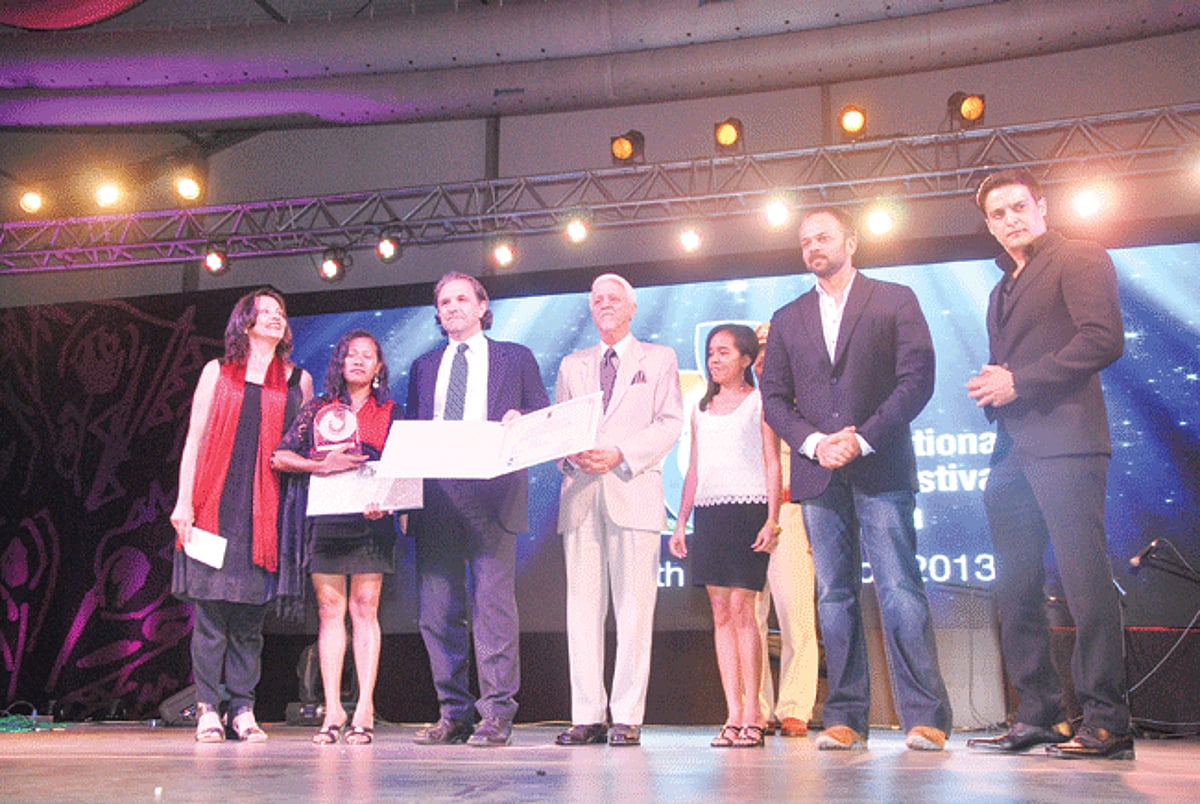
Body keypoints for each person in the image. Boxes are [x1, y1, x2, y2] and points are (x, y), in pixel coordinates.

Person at [760, 207, 952, 751]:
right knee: (833, 596)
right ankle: (845, 717)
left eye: (823, 237)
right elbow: (774, 398)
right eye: (805, 241)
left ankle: (925, 718)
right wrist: (816, 443)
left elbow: (917, 380)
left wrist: (861, 439)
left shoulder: (895, 299)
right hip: (818, 473)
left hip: (881, 464)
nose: (813, 247)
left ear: (851, 241)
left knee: (899, 588)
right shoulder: (788, 316)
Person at [965, 169, 1132, 760]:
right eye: (998, 214)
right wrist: (995, 386)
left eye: (1019, 207)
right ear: (990, 226)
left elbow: (1103, 338)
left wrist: (1018, 381)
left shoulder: (1080, 256)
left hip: (1067, 440)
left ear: (1042, 206)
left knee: (1084, 583)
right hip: (1013, 446)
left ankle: (1107, 722)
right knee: (1015, 586)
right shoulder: (1001, 288)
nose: (1010, 219)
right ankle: (1039, 715)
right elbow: (1016, 363)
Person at [406, 271, 549, 747]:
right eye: (444, 301)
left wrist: (522, 418)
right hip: (436, 498)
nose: (452, 307)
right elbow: (414, 435)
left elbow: (542, 415)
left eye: (461, 299)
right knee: (437, 613)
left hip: (493, 496)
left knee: (493, 610)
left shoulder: (515, 357)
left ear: (482, 306)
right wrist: (405, 499)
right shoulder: (424, 365)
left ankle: (496, 715)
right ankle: (454, 714)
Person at [170, 288, 313, 743]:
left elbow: (303, 448)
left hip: (266, 509)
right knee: (211, 615)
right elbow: (194, 440)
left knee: (250, 618)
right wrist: (183, 502)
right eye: (264, 311)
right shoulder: (217, 371)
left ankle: (243, 708)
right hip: (215, 503)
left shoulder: (298, 380)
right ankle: (207, 707)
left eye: (280, 312)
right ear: (245, 323)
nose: (274, 317)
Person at [554, 273, 683, 747]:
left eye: (613, 298)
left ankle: (627, 715)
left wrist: (620, 454)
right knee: (581, 610)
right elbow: (559, 426)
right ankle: (586, 715)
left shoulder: (660, 358)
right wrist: (571, 455)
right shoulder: (572, 364)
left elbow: (670, 422)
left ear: (632, 308)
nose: (604, 304)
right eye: (597, 300)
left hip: (633, 489)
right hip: (581, 494)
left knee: (634, 610)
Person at [271, 329, 403, 746]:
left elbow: (405, 469)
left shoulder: (392, 412)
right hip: (326, 521)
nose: (358, 361)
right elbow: (280, 456)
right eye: (351, 354)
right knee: (330, 610)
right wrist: (320, 466)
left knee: (365, 608)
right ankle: (332, 710)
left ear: (378, 366)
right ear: (340, 363)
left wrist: (389, 502)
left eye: (367, 355)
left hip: (371, 522)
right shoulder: (317, 409)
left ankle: (364, 708)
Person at [668, 324, 780, 748]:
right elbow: (694, 469)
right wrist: (682, 521)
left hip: (748, 509)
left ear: (746, 359)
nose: (715, 360)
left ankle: (754, 713)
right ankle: (733, 712)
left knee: (743, 608)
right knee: (719, 610)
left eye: (724, 352)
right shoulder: (700, 409)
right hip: (710, 514)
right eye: (711, 352)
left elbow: (771, 461)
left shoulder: (759, 403)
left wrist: (772, 519)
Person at [752, 322, 819, 739]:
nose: (763, 359)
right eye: (757, 351)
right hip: (744, 512)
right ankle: (756, 709)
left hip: (792, 510)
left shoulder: (805, 402)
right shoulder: (740, 400)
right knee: (749, 618)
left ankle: (795, 706)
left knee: (795, 612)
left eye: (770, 350)